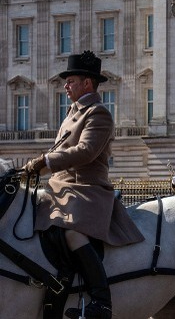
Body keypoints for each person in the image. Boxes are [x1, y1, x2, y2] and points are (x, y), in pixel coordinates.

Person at [24, 50, 144, 319]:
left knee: (71, 232)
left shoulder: (98, 113)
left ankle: (102, 300)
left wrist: (45, 161)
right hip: (61, 187)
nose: (65, 85)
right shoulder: (72, 113)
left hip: (86, 189)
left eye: (71, 80)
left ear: (87, 83)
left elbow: (86, 151)